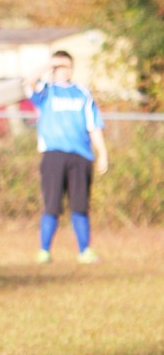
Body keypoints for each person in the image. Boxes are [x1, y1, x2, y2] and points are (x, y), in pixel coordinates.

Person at [24, 49, 109, 264]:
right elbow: (29, 80)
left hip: (80, 155)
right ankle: (44, 250)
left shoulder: (82, 93)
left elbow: (94, 126)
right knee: (52, 205)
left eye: (66, 66)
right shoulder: (46, 91)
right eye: (59, 66)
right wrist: (49, 65)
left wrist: (103, 153)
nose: (63, 70)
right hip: (54, 155)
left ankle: (84, 250)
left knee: (80, 205)